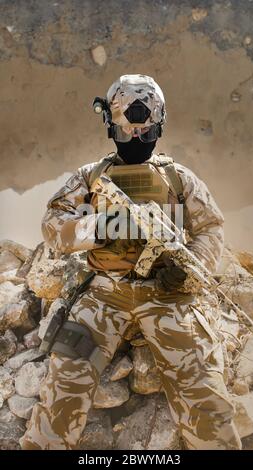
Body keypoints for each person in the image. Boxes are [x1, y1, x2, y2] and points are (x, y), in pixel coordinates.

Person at [20, 74, 241, 450]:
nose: (137, 139)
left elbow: (210, 230)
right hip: (102, 294)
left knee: (204, 393)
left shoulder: (178, 178)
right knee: (65, 385)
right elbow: (52, 226)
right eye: (129, 132)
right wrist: (100, 227)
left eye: (146, 132)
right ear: (111, 126)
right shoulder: (90, 178)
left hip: (167, 296)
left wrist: (186, 272)